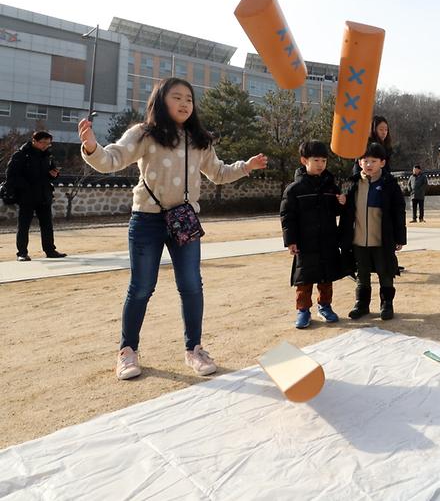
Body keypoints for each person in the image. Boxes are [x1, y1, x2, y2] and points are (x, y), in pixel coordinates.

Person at [79, 77, 268, 380]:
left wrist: (246, 166)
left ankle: (194, 349)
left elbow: (218, 173)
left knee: (192, 285)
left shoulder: (199, 139)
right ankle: (127, 351)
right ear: (161, 101)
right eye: (177, 97)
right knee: (141, 287)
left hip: (184, 220)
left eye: (189, 99)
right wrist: (91, 147)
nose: (184, 104)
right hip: (147, 220)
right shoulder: (144, 134)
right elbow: (112, 158)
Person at [280, 141, 348, 329]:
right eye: (316, 160)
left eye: (324, 160)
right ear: (304, 160)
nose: (320, 164)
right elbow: (287, 216)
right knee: (304, 278)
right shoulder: (294, 189)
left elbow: (336, 211)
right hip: (305, 241)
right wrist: (291, 240)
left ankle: (325, 306)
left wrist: (341, 203)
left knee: (326, 277)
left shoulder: (331, 186)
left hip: (327, 239)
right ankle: (303, 310)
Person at [341, 143, 407, 321]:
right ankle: (361, 305)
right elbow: (346, 212)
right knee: (362, 274)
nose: (368, 164)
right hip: (359, 240)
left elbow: (398, 212)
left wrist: (400, 237)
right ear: (359, 162)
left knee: (385, 273)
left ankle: (386, 304)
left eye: (373, 160)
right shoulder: (353, 184)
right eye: (365, 160)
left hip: (382, 240)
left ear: (382, 163)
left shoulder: (389, 185)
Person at [6, 131, 66, 261]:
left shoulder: (47, 156)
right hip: (26, 196)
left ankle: (50, 250)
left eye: (48, 143)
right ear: (34, 140)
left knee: (47, 225)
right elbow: (11, 176)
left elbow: (50, 175)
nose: (45, 145)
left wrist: (53, 174)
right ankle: (22, 253)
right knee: (24, 225)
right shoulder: (21, 155)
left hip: (44, 195)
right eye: (42, 142)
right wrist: (27, 187)